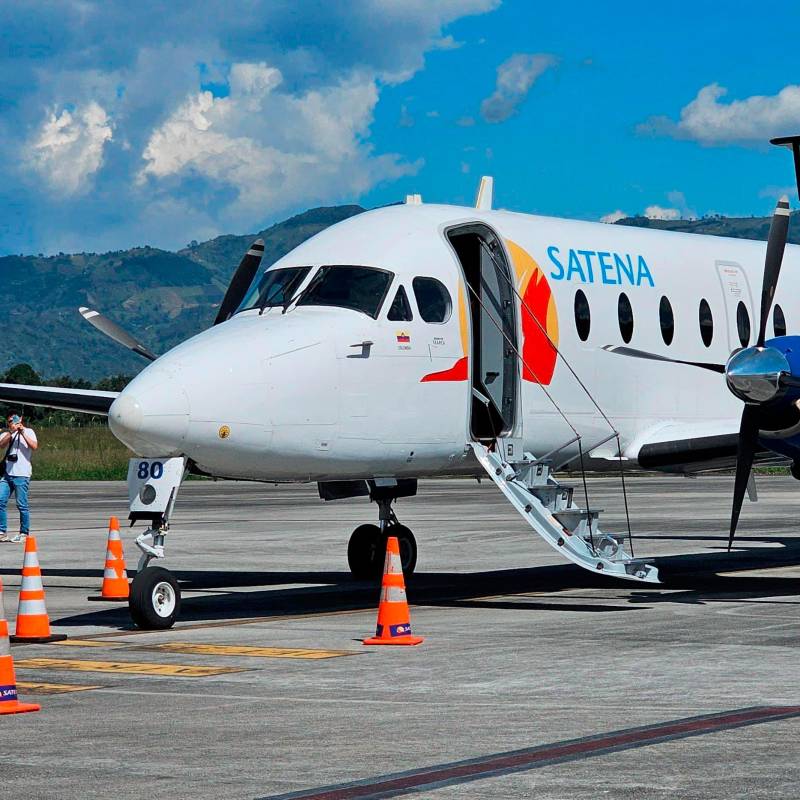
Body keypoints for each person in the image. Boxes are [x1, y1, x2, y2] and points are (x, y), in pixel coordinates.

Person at [0, 414, 38, 543]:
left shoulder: (29, 432)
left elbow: (34, 446)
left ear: (21, 420)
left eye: (15, 420)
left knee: (21, 504)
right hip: (7, 474)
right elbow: (1, 445)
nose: (13, 423)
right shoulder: (6, 434)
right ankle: (2, 531)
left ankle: (24, 532)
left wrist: (22, 433)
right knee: (0, 500)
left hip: (22, 474)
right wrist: (12, 433)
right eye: (11, 421)